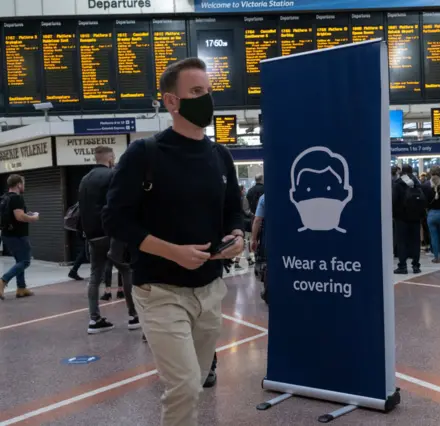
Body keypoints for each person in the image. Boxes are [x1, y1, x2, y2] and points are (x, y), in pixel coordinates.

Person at [103, 57, 244, 426]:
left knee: (195, 382)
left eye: (208, 92)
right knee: (182, 387)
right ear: (171, 102)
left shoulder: (220, 155)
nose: (206, 99)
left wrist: (238, 235)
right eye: (196, 92)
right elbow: (115, 218)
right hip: (160, 290)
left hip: (210, 290)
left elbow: (233, 211)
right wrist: (173, 252)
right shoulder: (144, 154)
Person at [79, 146, 139, 334]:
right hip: (112, 233)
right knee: (126, 270)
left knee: (95, 277)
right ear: (111, 157)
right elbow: (120, 203)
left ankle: (94, 320)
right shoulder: (112, 175)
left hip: (92, 235)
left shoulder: (84, 180)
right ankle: (133, 316)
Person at [0, 174, 38, 300]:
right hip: (18, 235)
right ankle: (3, 281)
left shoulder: (4, 197)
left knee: (19, 261)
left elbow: (14, 215)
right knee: (25, 261)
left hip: (7, 234)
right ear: (18, 185)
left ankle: (21, 288)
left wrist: (26, 214)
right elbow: (19, 217)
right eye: (23, 183)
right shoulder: (17, 198)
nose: (24, 186)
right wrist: (33, 218)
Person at [392, 164, 425, 273]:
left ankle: (403, 266)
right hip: (416, 217)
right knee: (415, 242)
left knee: (402, 241)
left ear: (402, 172)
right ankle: (416, 266)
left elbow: (394, 200)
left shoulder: (398, 183)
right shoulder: (417, 183)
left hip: (401, 218)